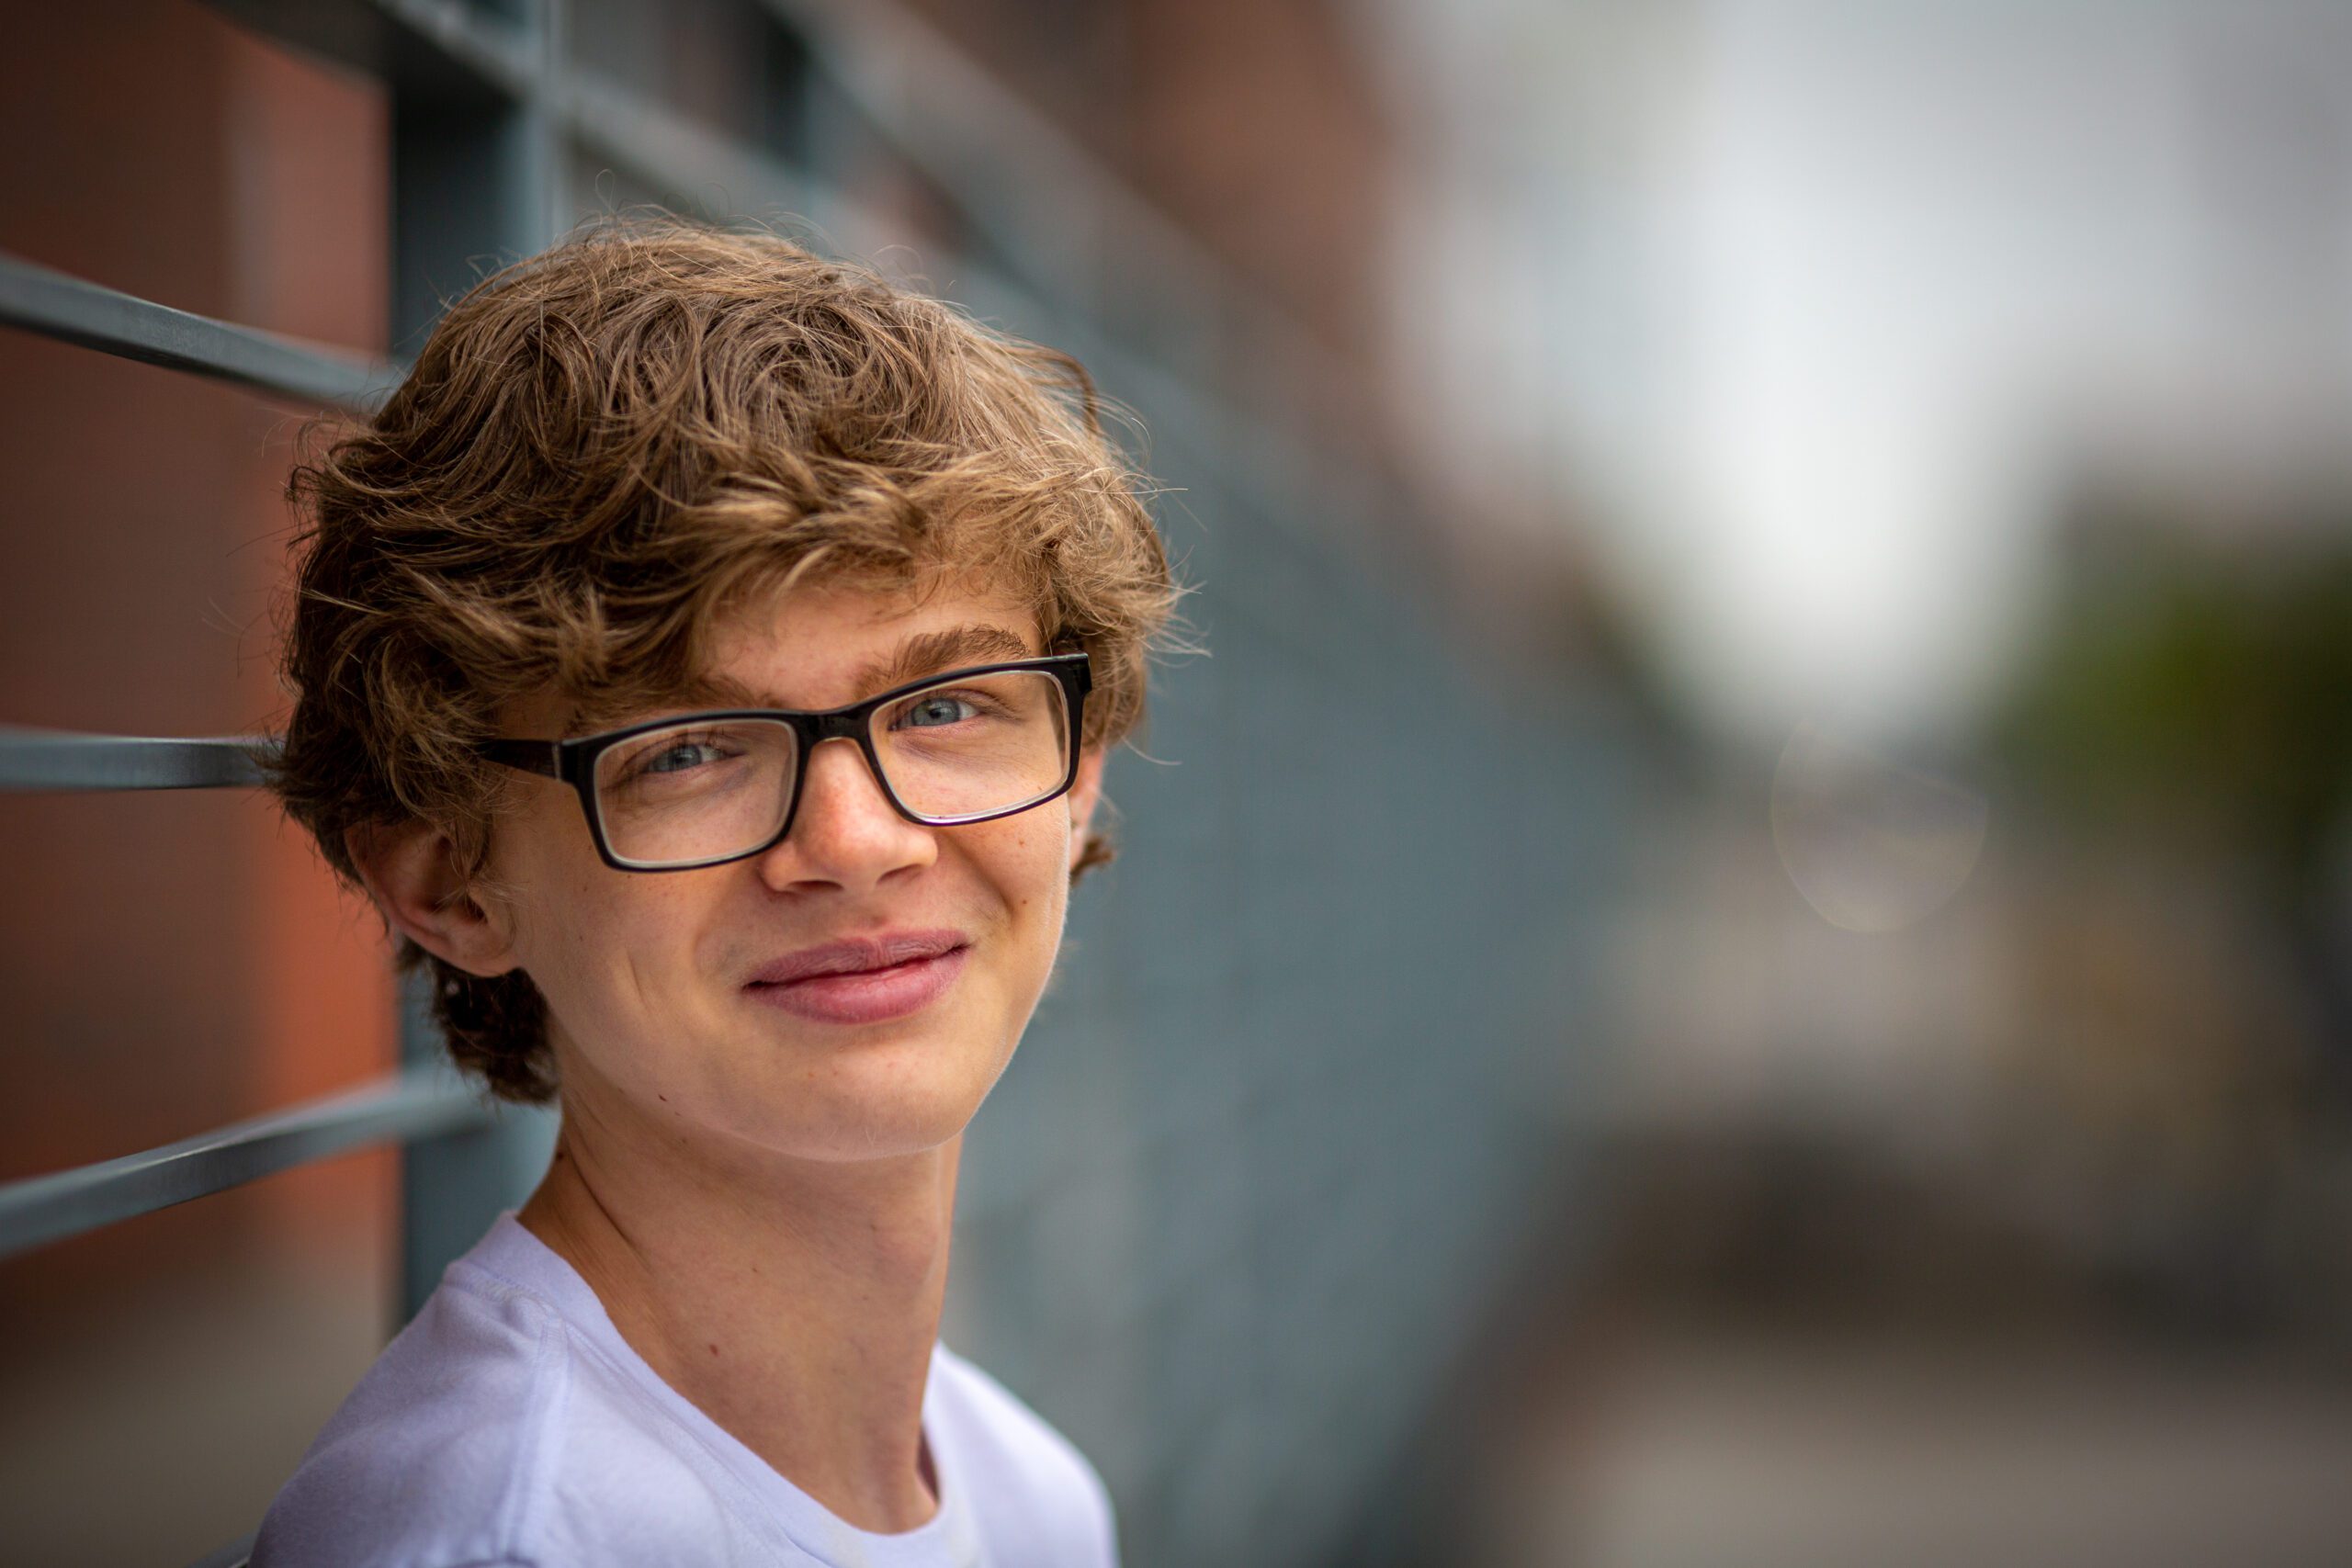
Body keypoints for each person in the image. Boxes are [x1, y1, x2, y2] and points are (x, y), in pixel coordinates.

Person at [249, 219, 1179, 1568]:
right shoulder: (496, 1539)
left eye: (947, 704)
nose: (857, 841)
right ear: (452, 880)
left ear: (1077, 770)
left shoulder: (1033, 1496)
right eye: (686, 749)